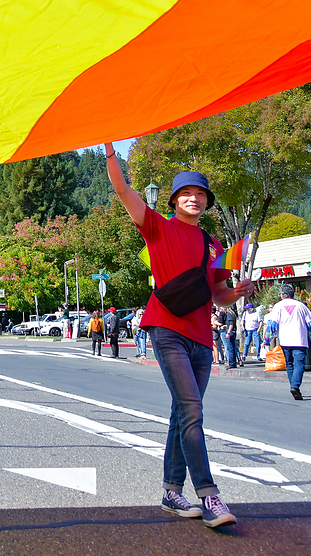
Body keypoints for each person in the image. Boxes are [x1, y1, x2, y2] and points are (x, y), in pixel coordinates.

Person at [106, 145, 252, 528]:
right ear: (174, 199)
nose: (194, 199)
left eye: (200, 194)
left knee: (180, 413)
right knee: (192, 411)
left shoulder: (215, 246)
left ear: (207, 203)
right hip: (167, 329)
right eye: (187, 193)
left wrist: (234, 293)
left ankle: (172, 491)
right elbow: (123, 191)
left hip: (202, 338)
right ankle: (210, 496)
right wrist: (109, 153)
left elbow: (218, 295)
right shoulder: (158, 226)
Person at [266, 284, 311, 400]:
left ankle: (293, 385)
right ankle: (295, 386)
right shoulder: (301, 306)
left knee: (289, 363)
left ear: (282, 295)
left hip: (285, 340)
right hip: (300, 339)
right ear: (293, 294)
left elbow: (271, 325)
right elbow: (310, 324)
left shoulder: (278, 306)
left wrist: (267, 340)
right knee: (299, 363)